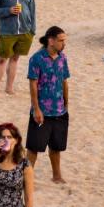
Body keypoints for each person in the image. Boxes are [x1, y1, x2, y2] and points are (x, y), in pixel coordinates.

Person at [25, 26, 69, 184]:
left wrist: (66, 103)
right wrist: (36, 108)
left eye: (64, 40)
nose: (64, 43)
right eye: (61, 40)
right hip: (42, 111)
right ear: (51, 40)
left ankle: (57, 175)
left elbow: (64, 81)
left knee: (56, 147)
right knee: (33, 148)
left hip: (59, 111)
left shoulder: (63, 58)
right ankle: (25, 178)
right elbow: (33, 85)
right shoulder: (36, 59)